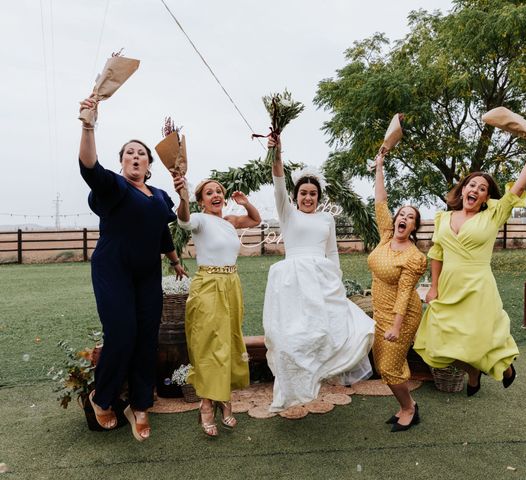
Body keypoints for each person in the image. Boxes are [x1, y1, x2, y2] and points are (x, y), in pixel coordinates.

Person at [78, 96, 186, 441]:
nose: (135, 157)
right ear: (121, 161)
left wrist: (174, 260)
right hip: (113, 268)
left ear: (150, 164)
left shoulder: (158, 196)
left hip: (147, 273)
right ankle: (102, 397)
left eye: (141, 153)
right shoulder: (115, 186)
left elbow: (161, 232)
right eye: (129, 153)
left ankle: (140, 404)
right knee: (122, 334)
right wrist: (88, 125)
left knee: (145, 338)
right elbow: (89, 167)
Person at [413, 133, 526, 396]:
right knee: (436, 343)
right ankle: (472, 371)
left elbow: (519, 185)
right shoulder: (443, 218)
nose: (475, 190)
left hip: (478, 287)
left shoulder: (494, 215)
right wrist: (433, 286)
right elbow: (437, 253)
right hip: (449, 288)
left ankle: (504, 367)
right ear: (463, 189)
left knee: (481, 338)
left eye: (482, 188)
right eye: (471, 185)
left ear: (486, 197)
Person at [263, 134, 375, 412]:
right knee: (291, 337)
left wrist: (336, 282)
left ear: (319, 197)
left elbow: (333, 252)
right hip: (291, 281)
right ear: (295, 196)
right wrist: (277, 153)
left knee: (326, 332)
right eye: (303, 193)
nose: (308, 197)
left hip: (322, 280)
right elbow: (278, 182)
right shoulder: (287, 213)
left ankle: (317, 375)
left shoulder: (327, 219)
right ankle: (290, 390)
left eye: (313, 194)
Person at [173, 175, 261, 437]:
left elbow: (255, 220)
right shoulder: (200, 220)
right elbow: (184, 219)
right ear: (201, 201)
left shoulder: (230, 221)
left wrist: (245, 203)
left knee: (230, 343)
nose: (215, 195)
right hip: (208, 285)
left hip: (232, 284)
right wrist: (183, 197)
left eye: (218, 191)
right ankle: (208, 404)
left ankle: (224, 398)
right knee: (209, 345)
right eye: (209, 193)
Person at [367, 150, 427, 432]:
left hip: (400, 315)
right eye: (401, 214)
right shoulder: (386, 235)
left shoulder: (413, 257)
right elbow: (381, 201)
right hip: (379, 311)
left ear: (414, 227)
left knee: (389, 367)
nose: (403, 218)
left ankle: (409, 408)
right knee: (383, 366)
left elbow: (405, 294)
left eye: (410, 217)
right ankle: (407, 403)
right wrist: (380, 166)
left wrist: (396, 325)